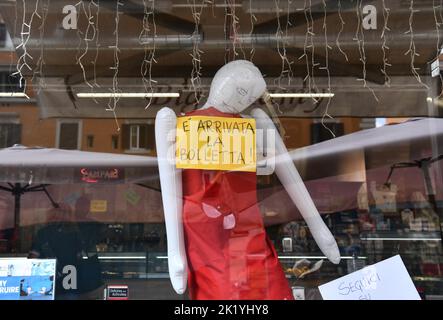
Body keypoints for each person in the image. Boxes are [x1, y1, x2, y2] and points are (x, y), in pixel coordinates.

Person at [28, 195, 103, 300]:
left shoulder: (43, 233)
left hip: (50, 285)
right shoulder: (76, 233)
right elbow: (85, 256)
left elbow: (32, 260)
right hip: (75, 287)